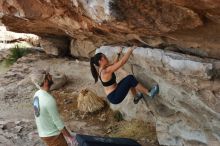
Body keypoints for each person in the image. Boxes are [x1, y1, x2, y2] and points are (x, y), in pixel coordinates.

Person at [90, 46, 159, 104]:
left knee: (128, 80)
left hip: (114, 92)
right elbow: (122, 62)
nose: (106, 58)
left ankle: (136, 97)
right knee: (130, 79)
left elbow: (115, 64)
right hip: (114, 97)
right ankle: (149, 93)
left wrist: (118, 53)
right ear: (100, 61)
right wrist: (130, 50)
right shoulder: (105, 71)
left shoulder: (102, 69)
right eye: (104, 57)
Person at [31, 71, 76, 146]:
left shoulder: (37, 94)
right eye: (48, 75)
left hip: (43, 133)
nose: (51, 76)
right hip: (53, 135)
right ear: (45, 81)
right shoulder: (49, 100)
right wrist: (70, 137)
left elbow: (38, 114)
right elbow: (58, 123)